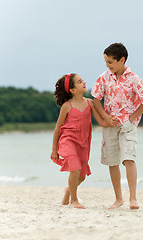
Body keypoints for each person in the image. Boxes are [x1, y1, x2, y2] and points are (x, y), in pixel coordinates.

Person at [91, 43, 143, 210]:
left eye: (110, 62)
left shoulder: (134, 78)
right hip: (109, 125)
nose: (107, 65)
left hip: (127, 126)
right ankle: (118, 199)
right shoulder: (104, 77)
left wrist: (131, 119)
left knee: (129, 159)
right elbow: (96, 99)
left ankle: (133, 198)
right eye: (106, 62)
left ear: (121, 60)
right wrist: (105, 117)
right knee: (112, 161)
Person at [51, 73, 107, 209]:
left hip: (83, 143)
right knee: (74, 168)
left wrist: (110, 122)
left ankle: (68, 190)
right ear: (72, 90)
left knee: (81, 176)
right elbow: (58, 128)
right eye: (80, 82)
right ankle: (74, 200)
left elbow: (101, 122)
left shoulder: (90, 103)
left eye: (83, 80)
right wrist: (54, 150)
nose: (84, 82)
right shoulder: (67, 106)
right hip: (68, 140)